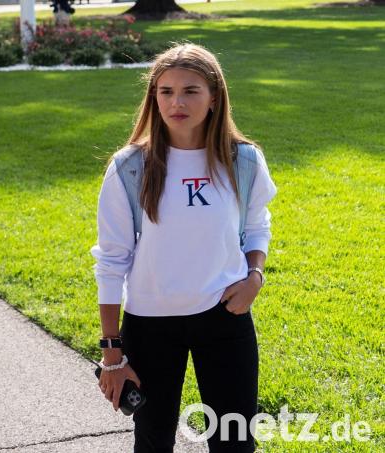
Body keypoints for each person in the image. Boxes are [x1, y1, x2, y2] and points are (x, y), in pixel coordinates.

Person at [92, 43, 276, 453]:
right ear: (154, 98)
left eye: (191, 91)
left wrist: (254, 277)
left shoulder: (243, 161)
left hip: (226, 316)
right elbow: (111, 261)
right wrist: (112, 352)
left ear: (214, 97)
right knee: (153, 442)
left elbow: (256, 226)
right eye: (166, 91)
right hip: (150, 324)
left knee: (234, 441)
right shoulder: (130, 167)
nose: (177, 102)